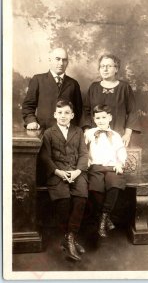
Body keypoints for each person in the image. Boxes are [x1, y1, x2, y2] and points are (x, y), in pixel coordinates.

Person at [40, 100, 88, 261]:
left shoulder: (78, 131)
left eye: (67, 113)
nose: (63, 116)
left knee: (81, 197)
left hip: (75, 172)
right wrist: (58, 172)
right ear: (55, 115)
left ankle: (70, 238)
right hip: (57, 173)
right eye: (60, 113)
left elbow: (83, 154)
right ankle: (70, 240)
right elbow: (45, 157)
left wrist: (77, 171)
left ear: (72, 115)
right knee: (64, 201)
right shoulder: (48, 133)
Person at [84, 104, 127, 238]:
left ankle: (103, 218)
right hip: (95, 167)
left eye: (104, 117)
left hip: (112, 167)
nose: (101, 120)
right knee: (95, 188)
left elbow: (121, 151)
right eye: (98, 118)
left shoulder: (115, 135)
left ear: (109, 118)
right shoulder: (90, 133)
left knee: (114, 184)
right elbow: (83, 150)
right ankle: (106, 217)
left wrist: (120, 163)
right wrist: (86, 162)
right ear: (94, 119)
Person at [83, 54, 139, 147]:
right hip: (96, 136)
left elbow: (132, 112)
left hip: (118, 136)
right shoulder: (94, 87)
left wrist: (127, 134)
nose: (105, 69)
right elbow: (85, 111)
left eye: (109, 66)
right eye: (102, 66)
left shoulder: (124, 87)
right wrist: (87, 131)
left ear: (116, 69)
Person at [22, 47, 82, 130]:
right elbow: (28, 106)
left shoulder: (73, 84)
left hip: (67, 134)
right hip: (44, 132)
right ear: (50, 60)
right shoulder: (38, 80)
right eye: (57, 59)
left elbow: (79, 111)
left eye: (64, 60)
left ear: (67, 62)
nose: (61, 63)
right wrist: (31, 121)